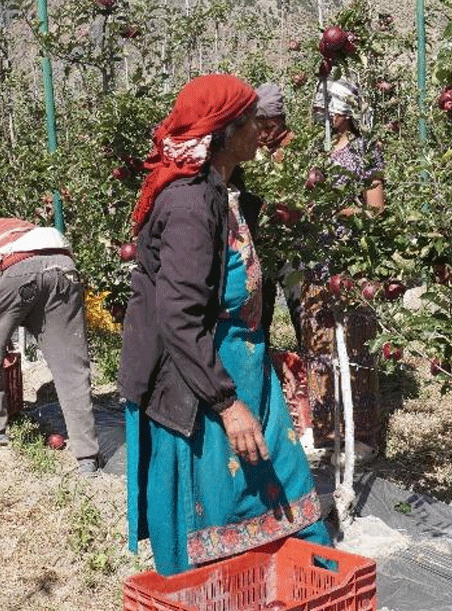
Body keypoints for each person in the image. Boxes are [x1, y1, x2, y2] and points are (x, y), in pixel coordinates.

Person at [118, 74, 330, 577]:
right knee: (210, 503)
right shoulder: (190, 204)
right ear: (226, 133)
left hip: (245, 370)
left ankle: (299, 579)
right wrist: (227, 404)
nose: (262, 130)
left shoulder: (224, 188)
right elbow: (179, 316)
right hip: (199, 383)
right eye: (252, 122)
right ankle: (218, 587)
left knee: (284, 483)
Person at [299, 78, 384, 455]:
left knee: (356, 345)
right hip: (316, 261)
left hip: (351, 261)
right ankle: (324, 429)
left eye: (329, 111)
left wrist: (342, 211)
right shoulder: (315, 152)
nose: (324, 118)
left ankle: (362, 434)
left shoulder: (365, 151)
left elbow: (376, 208)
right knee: (317, 345)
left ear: (346, 113)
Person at [0, 218, 101, 474]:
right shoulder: (16, 226)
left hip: (17, 267)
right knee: (72, 368)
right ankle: (87, 460)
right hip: (63, 265)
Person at [253, 82, 302, 348]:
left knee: (301, 307)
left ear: (281, 120)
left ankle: (312, 368)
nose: (261, 134)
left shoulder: (296, 150)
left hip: (293, 246)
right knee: (260, 312)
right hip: (262, 245)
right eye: (257, 127)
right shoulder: (254, 152)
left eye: (267, 127)